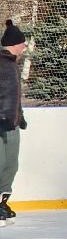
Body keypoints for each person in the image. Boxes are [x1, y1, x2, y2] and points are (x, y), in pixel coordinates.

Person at [0, 20, 28, 225]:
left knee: (11, 165)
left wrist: (20, 116)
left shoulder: (12, 64)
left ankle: (2, 202)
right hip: (1, 124)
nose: (25, 46)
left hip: (12, 123)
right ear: (14, 43)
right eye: (23, 43)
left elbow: (14, 95)